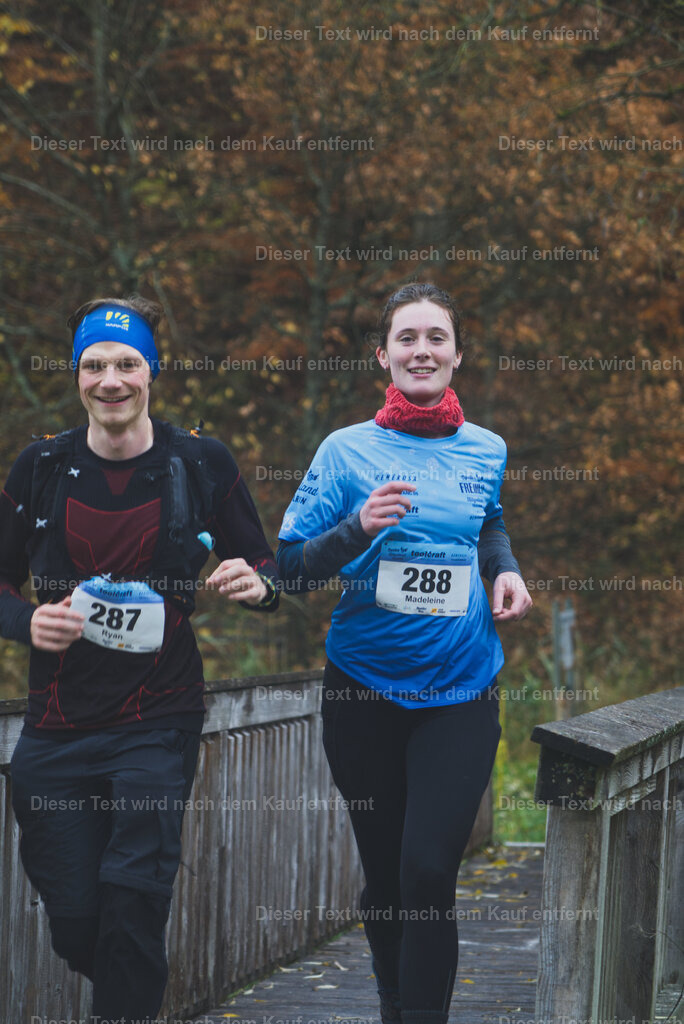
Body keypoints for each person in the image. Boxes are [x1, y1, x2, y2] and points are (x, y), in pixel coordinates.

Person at [0, 294, 279, 1024]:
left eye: (127, 363)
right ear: (76, 375)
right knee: (76, 916)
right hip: (55, 731)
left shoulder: (199, 461)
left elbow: (263, 563)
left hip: (159, 718)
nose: (110, 380)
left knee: (135, 895)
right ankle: (135, 982)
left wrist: (257, 585)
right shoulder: (41, 467)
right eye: (94, 365)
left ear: (152, 371)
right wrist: (30, 621)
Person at [277, 283, 532, 1024]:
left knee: (428, 871)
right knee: (388, 878)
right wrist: (357, 526)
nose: (422, 350)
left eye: (436, 338)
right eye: (407, 338)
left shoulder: (487, 448)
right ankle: (395, 1001)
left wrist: (503, 568)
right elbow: (290, 569)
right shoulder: (345, 451)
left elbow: (488, 522)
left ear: (457, 355)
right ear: (382, 356)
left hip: (461, 688)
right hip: (363, 692)